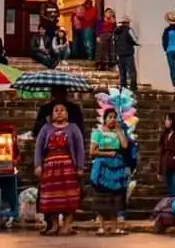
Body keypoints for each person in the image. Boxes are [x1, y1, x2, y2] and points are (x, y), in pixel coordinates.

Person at [34, 101, 86, 235]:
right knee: (51, 198)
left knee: (70, 197)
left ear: (67, 114)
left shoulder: (73, 128)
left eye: (62, 110)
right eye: (56, 110)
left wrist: (80, 167)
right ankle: (55, 225)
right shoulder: (46, 128)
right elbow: (38, 148)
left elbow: (80, 149)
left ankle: (67, 225)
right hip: (50, 168)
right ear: (51, 114)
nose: (59, 112)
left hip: (68, 168)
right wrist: (38, 165)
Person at [90, 106, 131, 234]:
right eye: (110, 117)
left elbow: (124, 145)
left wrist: (119, 131)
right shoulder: (98, 133)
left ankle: (115, 226)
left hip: (116, 166)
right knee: (101, 196)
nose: (112, 120)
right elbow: (92, 151)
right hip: (103, 166)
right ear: (105, 119)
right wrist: (107, 154)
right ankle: (101, 226)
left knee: (116, 197)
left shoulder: (118, 132)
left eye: (115, 117)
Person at [113, 16, 139, 90]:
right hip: (128, 53)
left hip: (120, 54)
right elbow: (134, 40)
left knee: (122, 72)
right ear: (127, 23)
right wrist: (136, 43)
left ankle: (123, 87)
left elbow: (114, 42)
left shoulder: (115, 31)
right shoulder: (129, 30)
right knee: (132, 71)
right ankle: (133, 87)